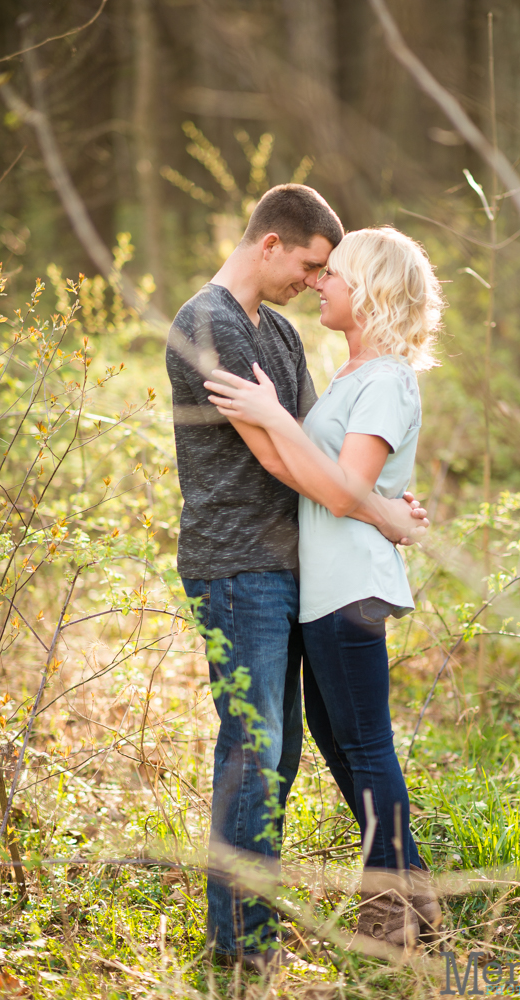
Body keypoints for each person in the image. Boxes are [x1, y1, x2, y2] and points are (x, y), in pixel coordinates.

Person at [166, 187, 429, 969]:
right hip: (238, 563)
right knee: (258, 744)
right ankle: (242, 944)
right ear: (272, 243)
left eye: (329, 274)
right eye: (312, 266)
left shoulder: (276, 330)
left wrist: (377, 494)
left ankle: (272, 922)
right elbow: (276, 456)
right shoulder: (206, 324)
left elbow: (318, 446)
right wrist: (377, 512)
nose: (315, 282)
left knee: (280, 751)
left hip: (296, 568)